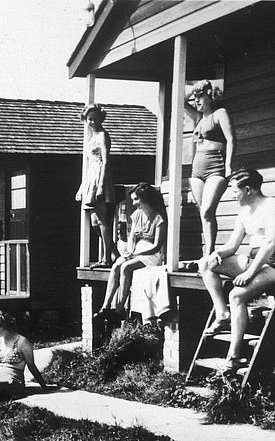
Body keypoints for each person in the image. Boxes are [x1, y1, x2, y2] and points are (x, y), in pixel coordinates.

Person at [198, 169, 275, 373]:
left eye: (234, 191)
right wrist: (216, 254)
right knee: (206, 264)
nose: (232, 196)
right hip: (255, 262)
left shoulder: (271, 206)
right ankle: (222, 314)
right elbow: (232, 246)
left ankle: (233, 356)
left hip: (272, 265)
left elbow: (270, 244)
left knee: (236, 295)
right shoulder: (243, 214)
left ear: (247, 189)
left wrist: (249, 275)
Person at [93, 183, 167, 320]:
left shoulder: (158, 218)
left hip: (151, 254)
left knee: (126, 267)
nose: (134, 203)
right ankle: (106, 307)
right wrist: (130, 251)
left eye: (136, 199)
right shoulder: (137, 215)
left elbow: (157, 246)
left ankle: (119, 309)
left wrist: (136, 255)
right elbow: (132, 237)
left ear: (145, 199)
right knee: (117, 265)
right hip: (136, 251)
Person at [185, 80, 236, 256]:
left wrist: (228, 165)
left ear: (210, 96)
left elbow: (231, 139)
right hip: (196, 171)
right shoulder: (199, 118)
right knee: (204, 214)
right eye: (195, 98)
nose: (196, 101)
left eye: (200, 98)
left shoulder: (220, 113)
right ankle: (208, 252)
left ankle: (209, 250)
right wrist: (193, 89)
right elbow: (181, 103)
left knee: (207, 210)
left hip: (216, 166)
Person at [76, 103, 119, 268]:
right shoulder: (90, 137)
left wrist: (101, 185)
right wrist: (82, 187)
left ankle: (106, 258)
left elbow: (106, 161)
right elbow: (88, 165)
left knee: (102, 220)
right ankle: (114, 253)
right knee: (94, 223)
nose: (92, 122)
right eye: (89, 119)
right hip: (91, 179)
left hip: (101, 178)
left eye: (95, 118)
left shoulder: (102, 135)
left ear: (101, 118)